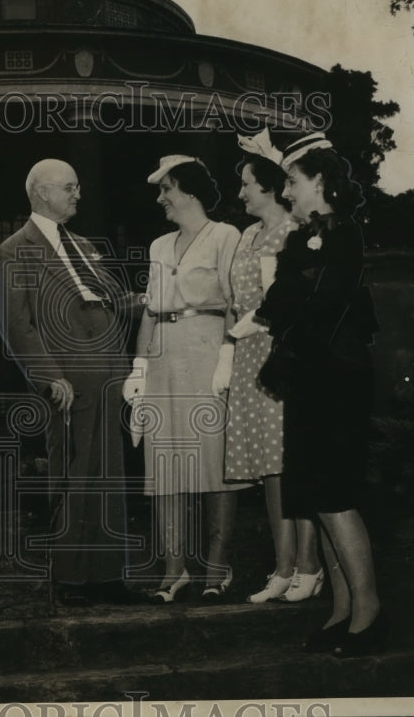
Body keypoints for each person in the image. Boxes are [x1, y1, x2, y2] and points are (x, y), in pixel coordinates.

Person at [255, 132, 383, 656]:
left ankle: (369, 611)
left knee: (335, 495)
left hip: (337, 378)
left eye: (292, 180)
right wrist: (294, 304)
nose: (286, 192)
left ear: (319, 182)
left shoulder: (346, 234)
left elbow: (324, 306)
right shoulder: (298, 239)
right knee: (313, 493)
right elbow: (280, 303)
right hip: (308, 376)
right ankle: (341, 611)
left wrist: (290, 327)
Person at [0, 158, 142, 607]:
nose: (79, 194)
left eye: (79, 186)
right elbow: (16, 325)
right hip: (67, 381)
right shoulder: (15, 249)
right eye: (69, 187)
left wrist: (158, 299)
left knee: (108, 476)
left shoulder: (83, 245)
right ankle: (72, 579)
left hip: (107, 376)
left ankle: (108, 577)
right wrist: (49, 376)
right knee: (73, 474)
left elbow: (115, 300)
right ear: (41, 192)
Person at [123, 155, 248, 603]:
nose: (161, 200)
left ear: (190, 192)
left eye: (167, 190)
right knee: (165, 464)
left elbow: (237, 302)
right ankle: (174, 568)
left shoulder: (225, 236)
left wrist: (228, 359)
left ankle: (217, 565)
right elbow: (151, 311)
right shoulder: (159, 246)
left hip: (209, 351)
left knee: (215, 460)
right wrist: (139, 370)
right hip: (164, 360)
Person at [217, 130, 323, 604]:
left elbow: (290, 303)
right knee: (268, 467)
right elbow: (233, 300)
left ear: (270, 186)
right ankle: (282, 567)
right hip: (246, 360)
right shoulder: (245, 235)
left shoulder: (293, 232)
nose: (240, 193)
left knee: (292, 461)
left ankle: (309, 564)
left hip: (278, 353)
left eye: (246, 184)